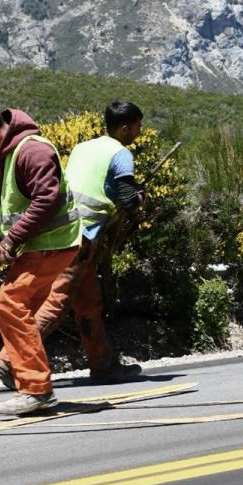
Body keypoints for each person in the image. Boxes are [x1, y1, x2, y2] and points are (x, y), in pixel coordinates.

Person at [0, 99, 81, 416]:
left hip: (52, 242)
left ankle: (35, 389)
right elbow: (11, 209)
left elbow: (46, 199)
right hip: (41, 243)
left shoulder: (32, 150)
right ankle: (16, 368)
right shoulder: (5, 153)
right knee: (21, 307)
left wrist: (12, 239)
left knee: (9, 304)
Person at [31, 100, 147, 382]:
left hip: (61, 231)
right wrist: (140, 199)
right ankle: (11, 360)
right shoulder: (121, 153)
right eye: (137, 127)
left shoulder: (83, 147)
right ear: (124, 127)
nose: (138, 133)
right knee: (57, 301)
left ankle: (103, 364)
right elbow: (128, 199)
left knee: (89, 303)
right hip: (79, 235)